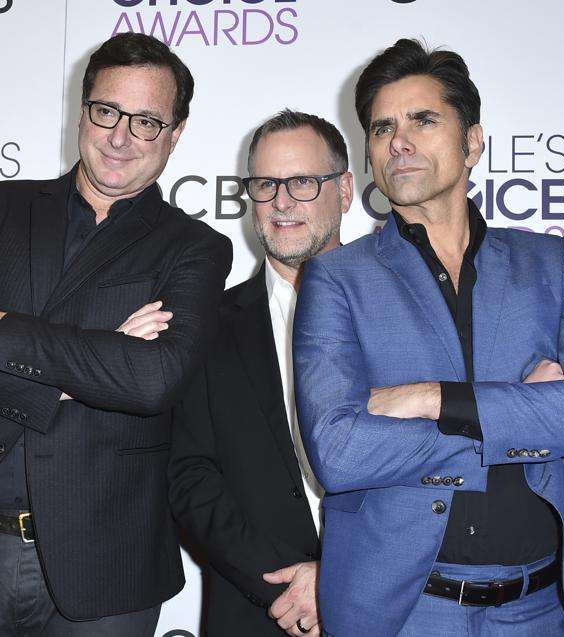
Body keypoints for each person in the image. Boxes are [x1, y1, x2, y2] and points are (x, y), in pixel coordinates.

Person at [0, 32, 232, 636]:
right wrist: (82, 372)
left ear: (175, 135)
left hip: (107, 569)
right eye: (107, 112)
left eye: (147, 122)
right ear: (83, 110)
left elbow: (150, 381)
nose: (121, 137)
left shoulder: (195, 249)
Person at [292, 38, 564, 636]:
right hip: (406, 612)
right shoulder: (336, 278)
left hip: (547, 608)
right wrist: (531, 418)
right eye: (381, 129)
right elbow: (340, 452)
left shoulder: (555, 263)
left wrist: (436, 399)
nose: (397, 141)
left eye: (423, 120)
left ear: (473, 141)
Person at [168, 110, 353, 637]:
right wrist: (286, 587)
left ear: (344, 189)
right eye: (266, 184)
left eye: (302, 181)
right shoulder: (205, 326)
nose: (281, 200)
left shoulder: (405, 313)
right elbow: (189, 478)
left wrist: (345, 578)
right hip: (259, 613)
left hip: (396, 606)